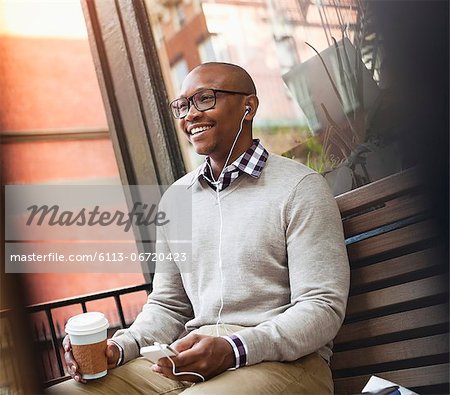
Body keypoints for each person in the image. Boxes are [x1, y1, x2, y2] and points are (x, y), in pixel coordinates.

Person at [50, 62, 350, 394]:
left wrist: (234, 348)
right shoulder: (177, 199)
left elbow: (321, 305)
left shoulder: (300, 187)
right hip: (191, 360)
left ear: (248, 107)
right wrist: (120, 348)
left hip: (287, 365)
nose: (190, 115)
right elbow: (168, 304)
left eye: (205, 99)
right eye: (183, 106)